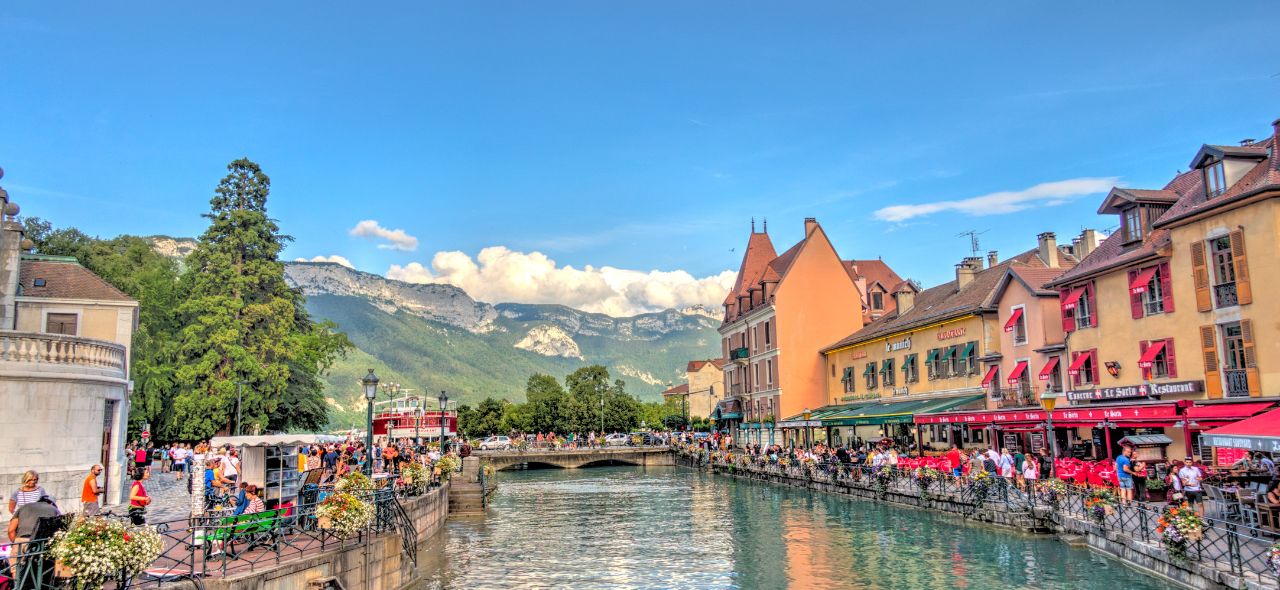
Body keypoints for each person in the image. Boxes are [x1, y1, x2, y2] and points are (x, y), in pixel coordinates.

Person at [6, 494, 60, 582]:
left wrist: (16, 543)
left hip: (22, 541)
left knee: (16, 568)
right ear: (52, 503)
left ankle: (17, 584)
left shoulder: (24, 507)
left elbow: (11, 530)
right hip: (42, 543)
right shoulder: (54, 509)